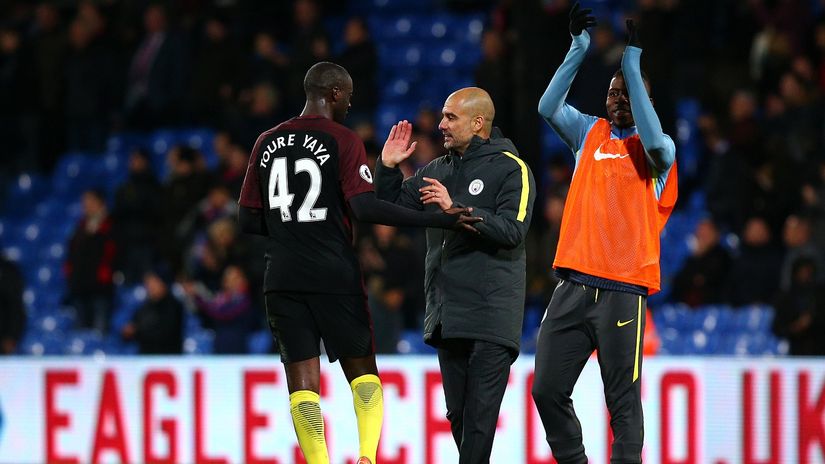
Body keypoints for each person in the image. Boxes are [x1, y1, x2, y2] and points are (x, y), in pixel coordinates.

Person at [237, 61, 478, 464]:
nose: (350, 103)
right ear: (333, 93)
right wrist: (436, 219)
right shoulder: (343, 139)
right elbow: (365, 209)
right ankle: (366, 456)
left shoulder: (266, 140)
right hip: (333, 273)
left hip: (281, 276)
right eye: (347, 95)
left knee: (301, 383)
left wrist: (290, 228)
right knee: (363, 372)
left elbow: (246, 219)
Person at [531, 5, 678, 464]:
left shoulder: (658, 151)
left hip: (622, 291)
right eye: (613, 92)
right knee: (546, 389)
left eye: (628, 94)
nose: (617, 98)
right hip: (572, 285)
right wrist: (577, 50)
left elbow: (654, 141)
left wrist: (631, 65)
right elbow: (547, 106)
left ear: (645, 104)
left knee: (623, 405)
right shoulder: (588, 133)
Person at [375, 87, 536, 463]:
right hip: (448, 316)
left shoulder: (512, 168)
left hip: (490, 314)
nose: (441, 125)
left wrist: (457, 209)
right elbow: (390, 208)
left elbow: (513, 230)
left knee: (478, 422)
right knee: (461, 419)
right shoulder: (438, 169)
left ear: (478, 123)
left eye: (451, 117)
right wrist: (387, 168)